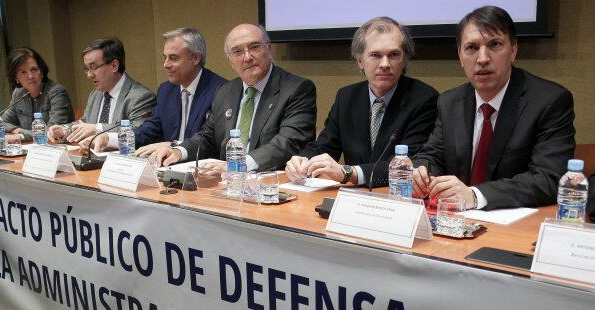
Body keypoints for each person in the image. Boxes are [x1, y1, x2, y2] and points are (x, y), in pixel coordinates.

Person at [412, 5, 575, 210]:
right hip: (457, 220)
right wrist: (421, 171)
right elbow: (432, 155)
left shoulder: (549, 101)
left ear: (513, 50)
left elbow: (548, 178)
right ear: (461, 57)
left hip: (514, 225)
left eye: (494, 44)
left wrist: (474, 195)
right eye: (471, 48)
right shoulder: (450, 102)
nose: (482, 59)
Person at [285, 17, 437, 187]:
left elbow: (410, 164)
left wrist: (349, 173)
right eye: (375, 55)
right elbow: (324, 146)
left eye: (394, 55)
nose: (385, 64)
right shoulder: (347, 97)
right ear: (360, 60)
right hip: (354, 198)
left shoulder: (424, 99)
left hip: (394, 196)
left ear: (404, 59)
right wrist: (303, 160)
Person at [153, 23, 316, 171]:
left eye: (254, 47)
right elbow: (208, 137)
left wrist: (239, 165)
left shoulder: (297, 89)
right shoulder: (225, 91)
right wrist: (179, 151)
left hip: (271, 183)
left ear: (269, 49)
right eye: (237, 52)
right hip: (228, 183)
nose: (247, 57)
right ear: (230, 60)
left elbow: (287, 143)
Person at [82, 27, 226, 156]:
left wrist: (174, 146)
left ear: (196, 58)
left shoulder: (220, 90)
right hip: (167, 166)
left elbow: (210, 141)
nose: (166, 65)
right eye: (165, 58)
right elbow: (149, 130)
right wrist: (109, 138)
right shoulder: (166, 90)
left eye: (173, 58)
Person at [48, 37, 156, 143]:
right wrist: (65, 129)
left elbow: (137, 131)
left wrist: (98, 128)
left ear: (114, 65)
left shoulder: (141, 97)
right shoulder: (95, 95)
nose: (89, 75)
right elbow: (85, 123)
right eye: (87, 69)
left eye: (93, 67)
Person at [3, 48, 74, 143]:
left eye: (34, 69)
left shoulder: (57, 92)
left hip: (57, 148)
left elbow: (52, 131)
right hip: (30, 149)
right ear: (16, 77)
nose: (30, 76)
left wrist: (20, 135)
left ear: (42, 71)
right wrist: (17, 130)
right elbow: (2, 123)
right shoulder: (19, 93)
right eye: (23, 72)